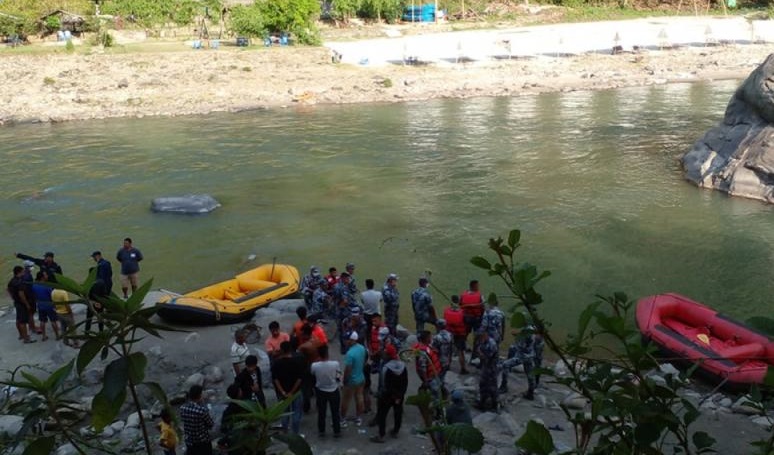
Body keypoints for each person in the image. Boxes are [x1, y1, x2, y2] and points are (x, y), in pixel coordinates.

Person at [370, 344, 408, 443]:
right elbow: (405, 382)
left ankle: (381, 435)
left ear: (388, 355)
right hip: (399, 395)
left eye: (385, 353)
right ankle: (396, 431)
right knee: (398, 412)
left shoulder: (386, 368)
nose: (383, 354)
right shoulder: (403, 366)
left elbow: (385, 385)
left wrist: (381, 394)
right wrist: (399, 395)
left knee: (382, 414)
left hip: (387, 396)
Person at [499, 324, 544, 400]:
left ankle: (504, 386)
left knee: (505, 365)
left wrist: (517, 339)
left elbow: (522, 345)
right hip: (530, 355)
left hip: (522, 355)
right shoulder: (532, 329)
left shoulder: (527, 329)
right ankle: (531, 393)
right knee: (530, 374)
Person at [272, 341, 305, 434]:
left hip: (282, 393)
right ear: (290, 350)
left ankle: (285, 433)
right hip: (295, 393)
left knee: (284, 414)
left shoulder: (276, 363)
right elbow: (299, 379)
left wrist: (282, 391)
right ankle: (295, 434)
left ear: (281, 350)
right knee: (296, 413)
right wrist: (292, 392)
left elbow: (275, 379)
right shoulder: (297, 362)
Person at [311, 344, 342, 438]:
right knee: (335, 412)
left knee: (321, 412)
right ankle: (337, 431)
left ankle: (322, 431)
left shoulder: (314, 365)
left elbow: (313, 374)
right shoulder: (335, 364)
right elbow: (338, 375)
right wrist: (338, 383)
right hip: (333, 390)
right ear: (327, 353)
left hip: (321, 391)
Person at [340, 331, 367, 427]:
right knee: (359, 398)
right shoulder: (362, 348)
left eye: (347, 339)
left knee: (345, 400)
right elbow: (364, 361)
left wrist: (344, 381)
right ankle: (358, 418)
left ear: (352, 340)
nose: (345, 341)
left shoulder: (350, 353)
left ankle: (342, 420)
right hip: (361, 378)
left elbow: (348, 369)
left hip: (351, 381)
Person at [179, 385, 214, 455]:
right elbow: (211, 424)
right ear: (200, 395)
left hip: (190, 441)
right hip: (202, 442)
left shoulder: (182, 408)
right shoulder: (202, 411)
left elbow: (183, 420)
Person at [8, 266, 35, 343]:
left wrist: (13, 297)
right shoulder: (20, 282)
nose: (24, 273)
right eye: (23, 271)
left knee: (18, 319)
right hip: (21, 303)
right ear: (19, 272)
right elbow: (21, 295)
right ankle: (26, 338)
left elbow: (8, 289)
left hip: (17, 302)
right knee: (23, 321)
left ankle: (21, 335)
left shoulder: (12, 281)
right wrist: (27, 304)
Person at [460, 280, 485, 362]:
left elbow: (460, 305)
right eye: (477, 286)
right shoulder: (480, 296)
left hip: (466, 318)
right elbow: (483, 307)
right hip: (476, 319)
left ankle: (460, 352)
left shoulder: (463, 295)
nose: (478, 287)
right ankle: (474, 356)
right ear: (474, 286)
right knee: (477, 337)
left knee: (463, 335)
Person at [32, 270, 60, 341]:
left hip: (40, 306)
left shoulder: (34, 286)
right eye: (45, 275)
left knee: (42, 321)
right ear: (42, 277)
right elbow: (52, 296)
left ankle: (44, 336)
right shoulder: (47, 286)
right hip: (49, 305)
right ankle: (57, 336)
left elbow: (34, 296)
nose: (47, 276)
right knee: (53, 321)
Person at [413, 330, 441, 400]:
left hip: (433, 374)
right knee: (435, 392)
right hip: (429, 376)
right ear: (426, 339)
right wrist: (426, 380)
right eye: (430, 337)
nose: (431, 338)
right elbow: (423, 367)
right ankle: (436, 403)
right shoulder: (422, 352)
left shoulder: (426, 346)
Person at [443, 298, 469, 374]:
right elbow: (466, 323)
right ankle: (463, 368)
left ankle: (448, 365)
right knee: (460, 351)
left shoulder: (446, 311)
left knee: (449, 350)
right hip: (460, 334)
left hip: (449, 334)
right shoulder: (462, 313)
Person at [476, 331, 499, 412]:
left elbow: (487, 357)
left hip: (491, 368)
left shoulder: (492, 344)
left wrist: (479, 353)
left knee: (492, 387)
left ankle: (494, 405)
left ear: (485, 335)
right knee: (482, 384)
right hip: (485, 367)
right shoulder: (483, 341)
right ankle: (482, 402)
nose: (480, 340)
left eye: (481, 337)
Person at [218, 384, 244, 454]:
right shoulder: (243, 407)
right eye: (240, 390)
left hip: (232, 442)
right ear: (238, 394)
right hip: (243, 441)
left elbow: (223, 428)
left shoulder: (228, 411)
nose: (241, 391)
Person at [432, 319, 453, 383]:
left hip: (439, 360)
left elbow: (434, 350)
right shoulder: (450, 335)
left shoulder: (436, 337)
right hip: (447, 359)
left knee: (438, 377)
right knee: (444, 376)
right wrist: (450, 359)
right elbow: (451, 349)